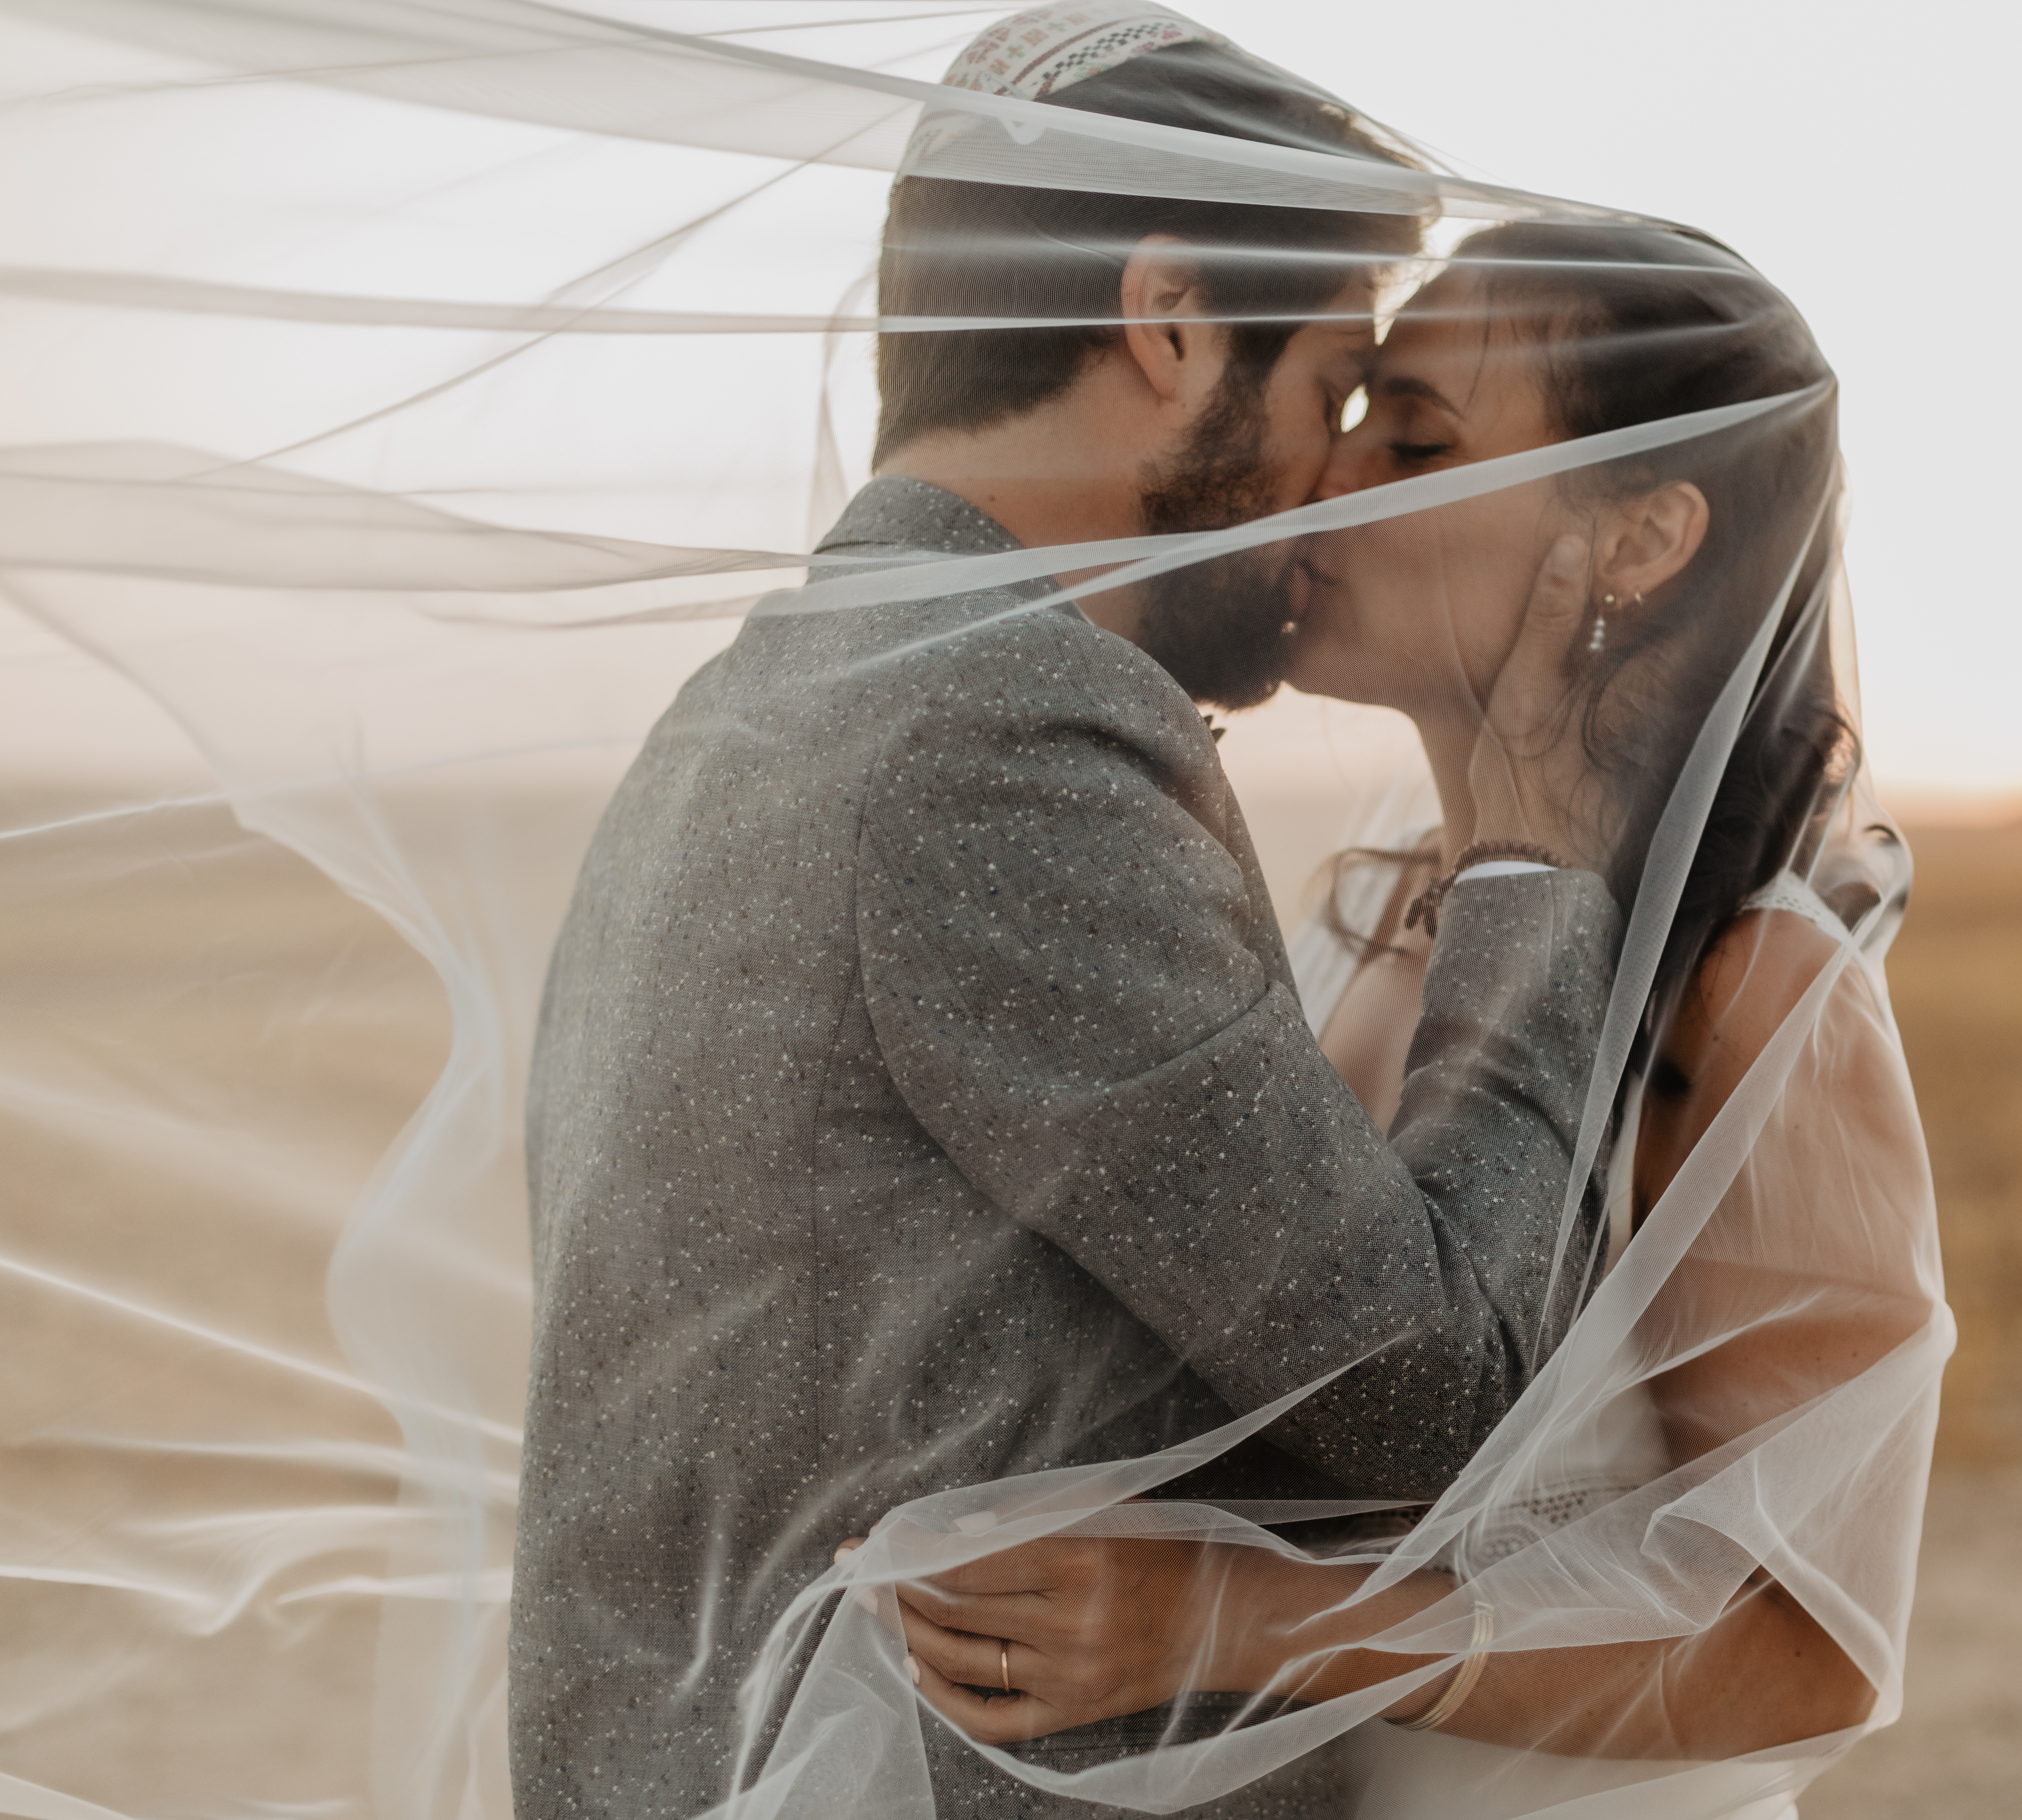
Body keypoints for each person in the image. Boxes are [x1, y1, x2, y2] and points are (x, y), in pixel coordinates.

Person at [511, 17, 1628, 1820]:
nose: (1345, 481)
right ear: (1172, 324)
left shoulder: (753, 702)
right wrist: (1539, 849)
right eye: (1337, 388)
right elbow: (1445, 1406)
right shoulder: (1003, 734)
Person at [839, 223, 1945, 1819]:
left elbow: (1811, 1644)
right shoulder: (1366, 918)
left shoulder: (1750, 983)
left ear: (1639, 537)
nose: (1330, 475)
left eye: (1416, 439)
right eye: (1350, 414)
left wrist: (1241, 1623)